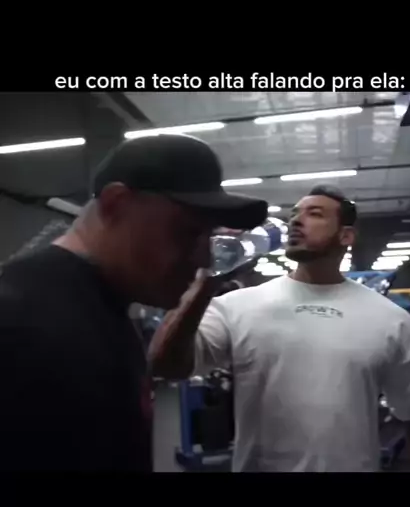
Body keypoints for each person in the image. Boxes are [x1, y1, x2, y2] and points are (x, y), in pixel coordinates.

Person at [0, 134, 267, 471]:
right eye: (187, 232)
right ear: (116, 204)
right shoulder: (17, 320)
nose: (203, 258)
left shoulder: (102, 308)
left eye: (208, 236)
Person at [150, 185, 410, 472]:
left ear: (346, 235)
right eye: (294, 214)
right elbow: (166, 364)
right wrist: (205, 282)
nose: (296, 221)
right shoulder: (236, 306)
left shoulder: (390, 319)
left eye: (314, 214)